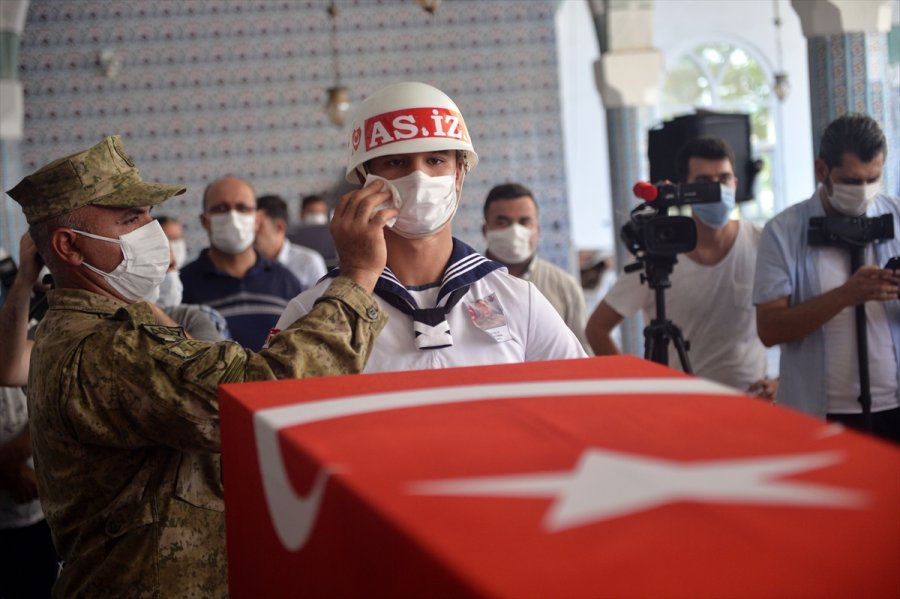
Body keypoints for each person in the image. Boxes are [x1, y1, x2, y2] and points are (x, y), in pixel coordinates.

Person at [5, 134, 396, 597]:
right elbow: (265, 393)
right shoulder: (110, 349)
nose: (150, 232)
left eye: (149, 215)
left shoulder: (74, 328)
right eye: (130, 219)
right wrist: (358, 277)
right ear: (69, 246)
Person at [275, 82, 586, 372]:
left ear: (459, 175)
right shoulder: (314, 311)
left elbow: (581, 398)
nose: (419, 178)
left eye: (435, 160)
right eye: (396, 163)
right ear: (364, 179)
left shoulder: (519, 300)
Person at [586, 136, 775, 398]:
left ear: (736, 183)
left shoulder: (763, 243)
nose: (715, 190)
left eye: (723, 179)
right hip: (682, 406)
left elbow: (798, 317)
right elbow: (597, 328)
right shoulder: (658, 249)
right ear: (683, 189)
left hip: (753, 402)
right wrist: (633, 387)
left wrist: (782, 380)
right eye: (702, 182)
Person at [753, 113, 900, 442]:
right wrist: (846, 295)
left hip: (894, 408)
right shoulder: (783, 232)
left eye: (872, 179)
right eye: (851, 181)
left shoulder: (897, 217)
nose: (863, 191)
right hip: (818, 414)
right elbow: (769, 329)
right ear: (822, 171)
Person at [180, 175, 304, 351]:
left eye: (242, 208)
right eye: (221, 208)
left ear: (257, 220)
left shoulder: (286, 281)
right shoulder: (183, 285)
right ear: (205, 221)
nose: (233, 216)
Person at [0, 234, 59, 599]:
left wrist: (16, 456)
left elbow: (47, 404)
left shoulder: (28, 322)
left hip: (32, 508)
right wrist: (5, 467)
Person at [482, 182, 591, 353]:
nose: (515, 230)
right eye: (503, 222)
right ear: (485, 230)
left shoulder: (564, 287)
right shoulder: (468, 285)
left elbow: (581, 354)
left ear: (537, 230)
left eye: (524, 222)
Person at [255, 194, 328, 289]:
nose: (252, 231)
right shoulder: (249, 265)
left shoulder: (309, 261)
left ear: (279, 227)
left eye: (259, 225)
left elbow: (323, 299)